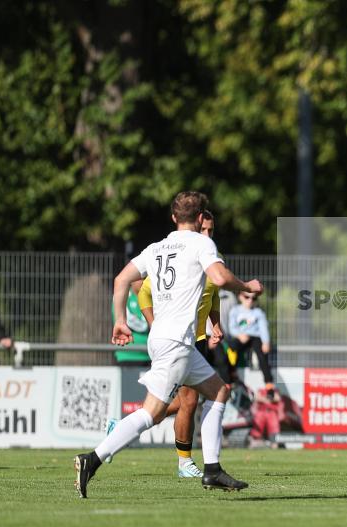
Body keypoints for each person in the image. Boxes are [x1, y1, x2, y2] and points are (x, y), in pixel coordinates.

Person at [74, 191, 262, 498]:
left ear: (174, 217)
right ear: (202, 218)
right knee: (151, 413)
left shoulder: (156, 248)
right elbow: (218, 275)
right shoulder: (202, 242)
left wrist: (119, 319)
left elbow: (121, 280)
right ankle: (91, 460)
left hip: (167, 338)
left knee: (218, 391)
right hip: (176, 342)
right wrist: (247, 287)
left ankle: (212, 470)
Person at [133, 209, 224, 478]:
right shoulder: (183, 254)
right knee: (192, 400)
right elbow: (144, 292)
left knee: (178, 403)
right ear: (195, 225)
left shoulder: (212, 256)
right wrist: (154, 323)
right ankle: (186, 462)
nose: (207, 234)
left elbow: (212, 295)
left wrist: (215, 325)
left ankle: (127, 425)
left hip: (198, 339)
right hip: (178, 340)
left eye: (211, 230)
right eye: (203, 229)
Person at [227, 291, 274, 395]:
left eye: (253, 298)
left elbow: (263, 329)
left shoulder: (258, 312)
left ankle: (269, 384)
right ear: (240, 297)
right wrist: (240, 335)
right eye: (247, 297)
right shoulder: (235, 311)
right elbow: (232, 328)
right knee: (232, 348)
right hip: (241, 336)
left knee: (262, 354)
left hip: (255, 337)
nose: (250, 300)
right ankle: (231, 375)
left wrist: (266, 342)